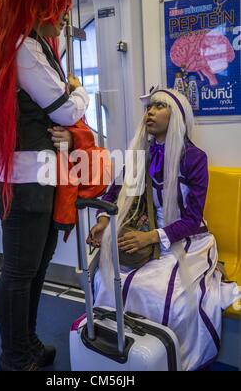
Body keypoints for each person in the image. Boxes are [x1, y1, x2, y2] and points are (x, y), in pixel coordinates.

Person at [0, 0, 90, 371]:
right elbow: (67, 109)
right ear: (41, 5)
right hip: (25, 181)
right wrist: (79, 89)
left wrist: (70, 91)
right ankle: (16, 357)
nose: (65, 16)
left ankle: (27, 344)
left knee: (34, 269)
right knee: (21, 272)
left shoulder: (31, 46)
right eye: (61, 6)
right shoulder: (25, 49)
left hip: (37, 177)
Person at [88, 88, 240, 371]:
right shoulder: (141, 155)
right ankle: (124, 355)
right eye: (149, 107)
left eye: (160, 106)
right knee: (106, 277)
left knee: (165, 293)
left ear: (178, 116)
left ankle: (164, 359)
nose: (151, 112)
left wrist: (151, 236)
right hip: (146, 237)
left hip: (188, 239)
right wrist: (103, 221)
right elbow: (115, 192)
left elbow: (193, 218)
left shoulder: (194, 158)